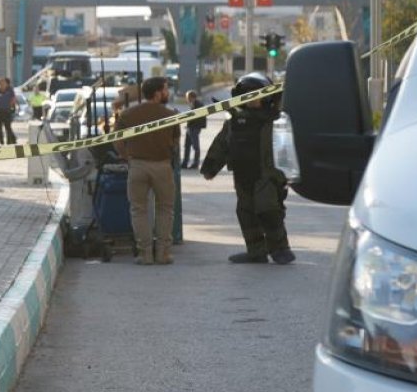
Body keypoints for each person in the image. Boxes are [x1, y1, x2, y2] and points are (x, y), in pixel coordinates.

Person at [200, 72, 295, 265]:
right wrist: (210, 168)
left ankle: (281, 250)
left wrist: (290, 174)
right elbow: (221, 145)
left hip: (267, 176)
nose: (252, 100)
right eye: (247, 95)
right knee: (245, 213)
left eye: (256, 94)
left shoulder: (275, 120)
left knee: (269, 211)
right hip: (243, 175)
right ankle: (256, 251)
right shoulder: (235, 121)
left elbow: (287, 148)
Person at [113, 76, 180, 265]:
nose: (167, 93)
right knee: (165, 209)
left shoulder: (128, 114)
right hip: (162, 166)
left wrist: (128, 157)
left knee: (138, 210)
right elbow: (175, 143)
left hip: (138, 166)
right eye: (166, 89)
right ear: (158, 93)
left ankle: (145, 254)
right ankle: (163, 253)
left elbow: (117, 141)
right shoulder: (170, 115)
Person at [180, 90, 207, 169]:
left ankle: (195, 163)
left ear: (192, 97)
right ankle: (185, 163)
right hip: (191, 127)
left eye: (187, 97)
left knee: (195, 146)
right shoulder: (194, 103)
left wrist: (191, 124)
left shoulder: (198, 104)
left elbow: (197, 117)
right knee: (187, 146)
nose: (186, 99)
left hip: (194, 128)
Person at [0, 77, 17, 145]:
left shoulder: (10, 90)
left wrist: (11, 105)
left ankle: (9, 142)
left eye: (3, 83)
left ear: (6, 84)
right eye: (0, 83)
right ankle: (1, 142)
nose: (1, 84)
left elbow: (13, 98)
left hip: (7, 111)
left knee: (8, 128)